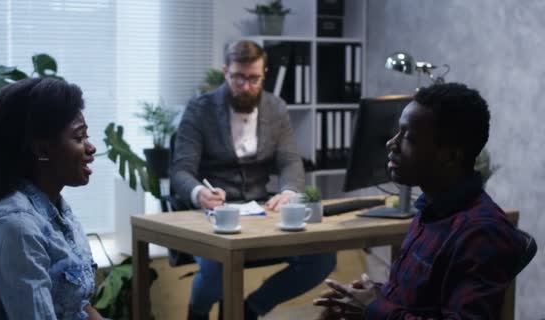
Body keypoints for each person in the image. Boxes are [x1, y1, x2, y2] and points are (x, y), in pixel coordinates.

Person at [313, 83, 531, 319]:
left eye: (408, 137)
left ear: (449, 157)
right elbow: (419, 300)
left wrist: (375, 308)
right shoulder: (431, 209)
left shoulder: (481, 233)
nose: (391, 144)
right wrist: (371, 295)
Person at [171, 40, 336, 320]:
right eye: (238, 77)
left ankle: (251, 309)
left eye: (253, 78)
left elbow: (289, 161)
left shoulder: (276, 108)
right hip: (211, 213)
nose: (246, 86)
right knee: (217, 268)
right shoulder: (200, 109)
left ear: (264, 74)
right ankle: (197, 313)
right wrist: (199, 192)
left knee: (321, 258)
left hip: (259, 212)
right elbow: (180, 171)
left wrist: (289, 191)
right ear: (226, 72)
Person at [0, 77, 103, 320]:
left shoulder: (55, 209)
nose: (91, 148)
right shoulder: (16, 227)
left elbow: (78, 306)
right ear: (42, 150)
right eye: (79, 137)